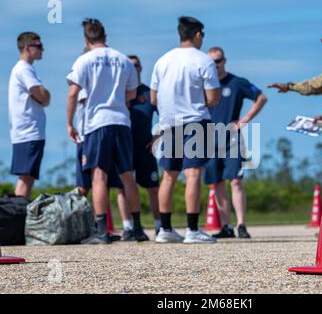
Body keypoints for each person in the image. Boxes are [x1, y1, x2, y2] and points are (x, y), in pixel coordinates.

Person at [66, 18, 148, 244]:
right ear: (105, 36)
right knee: (127, 176)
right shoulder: (123, 60)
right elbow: (132, 94)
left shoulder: (84, 60)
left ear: (86, 38)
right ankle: (137, 228)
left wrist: (70, 123)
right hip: (121, 121)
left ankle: (102, 231)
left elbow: (73, 93)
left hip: (97, 122)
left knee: (99, 176)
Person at [150, 16, 220, 243]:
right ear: (197, 34)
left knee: (168, 176)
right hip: (195, 120)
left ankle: (165, 230)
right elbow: (213, 98)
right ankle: (192, 230)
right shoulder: (204, 60)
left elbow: (153, 97)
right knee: (193, 174)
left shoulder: (162, 60)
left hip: (168, 122)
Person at [204, 46, 268, 238]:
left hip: (231, 137)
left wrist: (245, 120)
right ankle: (226, 226)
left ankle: (241, 224)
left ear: (225, 61)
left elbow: (261, 97)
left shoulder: (237, 83)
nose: (215, 65)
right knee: (217, 182)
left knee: (236, 181)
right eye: (211, 62)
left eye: (218, 61)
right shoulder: (203, 85)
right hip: (207, 137)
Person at [8, 32, 51, 199]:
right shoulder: (24, 69)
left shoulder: (22, 69)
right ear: (27, 48)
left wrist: (42, 96)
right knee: (27, 177)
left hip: (24, 132)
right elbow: (43, 96)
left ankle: (18, 218)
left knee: (26, 176)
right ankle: (18, 219)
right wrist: (44, 95)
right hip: (29, 131)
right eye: (39, 46)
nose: (42, 50)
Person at [128, 55, 161, 235]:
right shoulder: (120, 93)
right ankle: (130, 226)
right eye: (129, 65)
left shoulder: (149, 93)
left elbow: (166, 115)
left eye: (135, 65)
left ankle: (159, 225)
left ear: (141, 68)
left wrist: (157, 136)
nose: (133, 68)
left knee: (153, 188)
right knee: (124, 186)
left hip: (145, 147)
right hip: (125, 146)